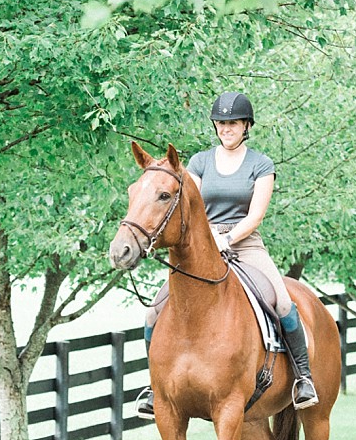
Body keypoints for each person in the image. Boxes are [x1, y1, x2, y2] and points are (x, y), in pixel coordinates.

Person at [136, 91, 318, 416]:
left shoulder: (261, 164)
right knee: (154, 311)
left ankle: (303, 378)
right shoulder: (199, 162)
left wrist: (229, 238)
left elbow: (255, 215)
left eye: (232, 123)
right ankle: (155, 386)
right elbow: (186, 203)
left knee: (283, 301)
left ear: (246, 125)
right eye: (221, 123)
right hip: (203, 246)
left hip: (245, 243)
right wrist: (202, 238)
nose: (226, 129)